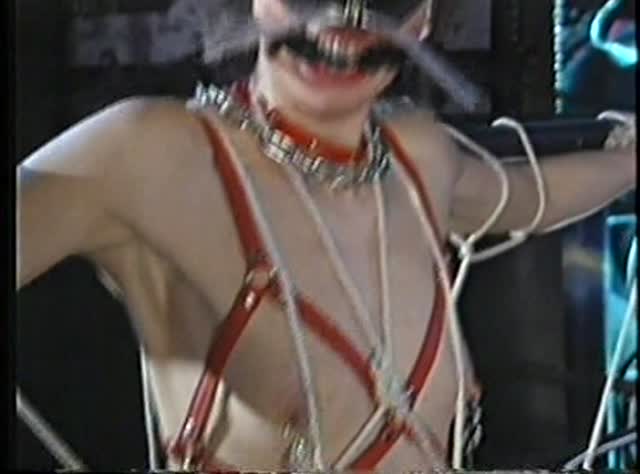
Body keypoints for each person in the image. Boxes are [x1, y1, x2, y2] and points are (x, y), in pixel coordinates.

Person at [16, 0, 636, 470]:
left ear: (421, 19)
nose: (342, 20)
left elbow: (525, 197)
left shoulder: (417, 155)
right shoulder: (147, 152)